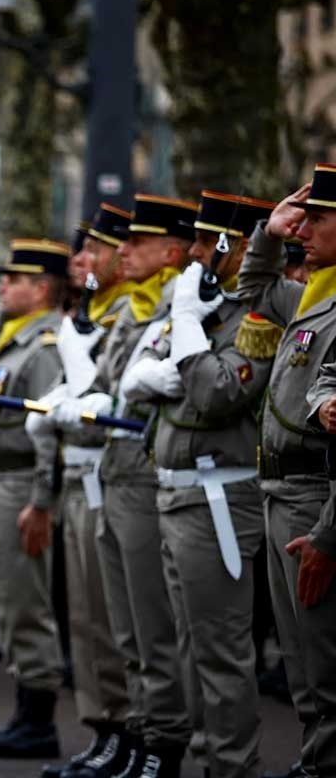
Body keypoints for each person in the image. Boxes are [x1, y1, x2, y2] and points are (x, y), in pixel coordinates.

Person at [124, 191, 275, 778]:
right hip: (175, 489)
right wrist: (187, 341)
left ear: (232, 246)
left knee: (219, 653)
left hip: (216, 498)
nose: (190, 252)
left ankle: (231, 766)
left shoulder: (253, 317)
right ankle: (210, 760)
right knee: (189, 647)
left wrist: (187, 324)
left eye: (202, 241)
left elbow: (215, 393)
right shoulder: (207, 306)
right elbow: (139, 380)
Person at [50, 193, 198, 777]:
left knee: (148, 627)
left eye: (134, 243)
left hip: (141, 475)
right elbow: (108, 387)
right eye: (124, 241)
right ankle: (132, 734)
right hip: (113, 473)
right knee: (121, 627)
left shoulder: (172, 306)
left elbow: (138, 389)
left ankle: (159, 743)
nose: (118, 253)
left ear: (171, 251)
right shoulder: (136, 308)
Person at [29, 204, 137, 778]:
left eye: (94, 250)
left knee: (110, 617)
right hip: (78, 471)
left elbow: (107, 393)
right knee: (86, 620)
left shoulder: (128, 310)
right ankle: (103, 729)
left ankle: (128, 731)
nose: (81, 261)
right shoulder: (93, 309)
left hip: (107, 472)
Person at [238, 168, 336, 778]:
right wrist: (266, 234)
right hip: (280, 492)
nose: (305, 230)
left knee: (324, 661)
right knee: (301, 660)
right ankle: (313, 760)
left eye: (318, 220)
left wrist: (329, 535)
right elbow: (255, 289)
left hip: (315, 496)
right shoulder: (314, 298)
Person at [0, 239, 69, 759]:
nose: (3, 285)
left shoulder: (45, 346)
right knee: (12, 604)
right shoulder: (14, 342)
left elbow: (51, 431)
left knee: (28, 605)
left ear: (43, 288)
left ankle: (38, 721)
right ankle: (24, 713)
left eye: (16, 278)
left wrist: (41, 500)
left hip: (20, 484)